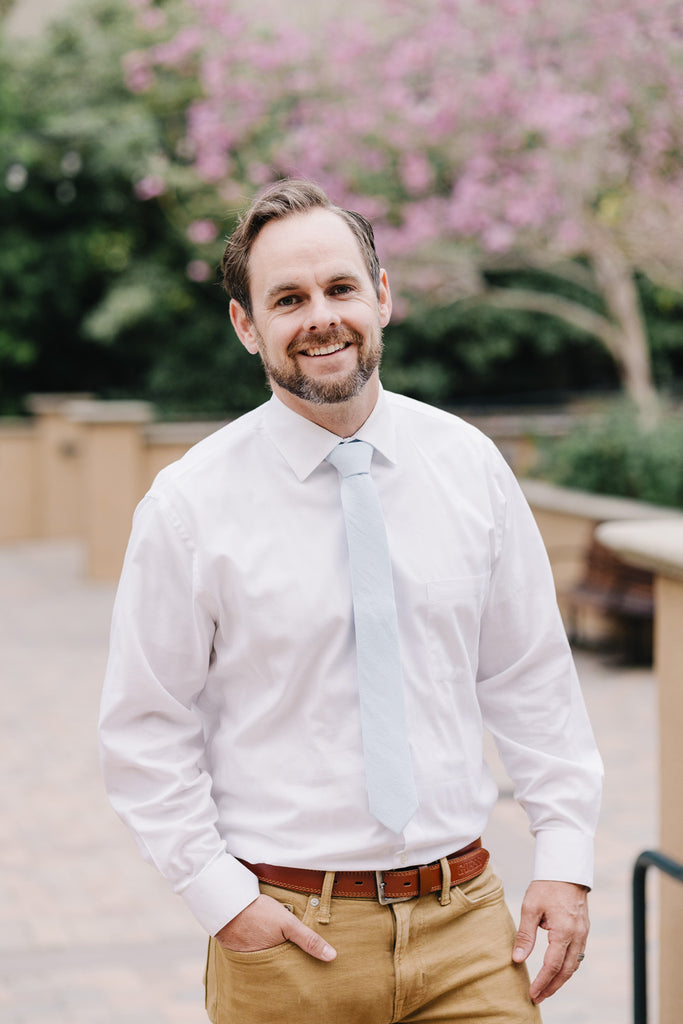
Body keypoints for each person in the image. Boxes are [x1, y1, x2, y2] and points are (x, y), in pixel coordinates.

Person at [99, 179, 603, 1023]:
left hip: (469, 931)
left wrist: (565, 855)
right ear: (245, 325)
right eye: (287, 299)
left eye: (339, 288)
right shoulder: (189, 507)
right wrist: (221, 898)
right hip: (287, 939)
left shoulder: (467, 465)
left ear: (381, 296)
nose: (319, 317)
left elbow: (529, 679)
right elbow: (145, 725)